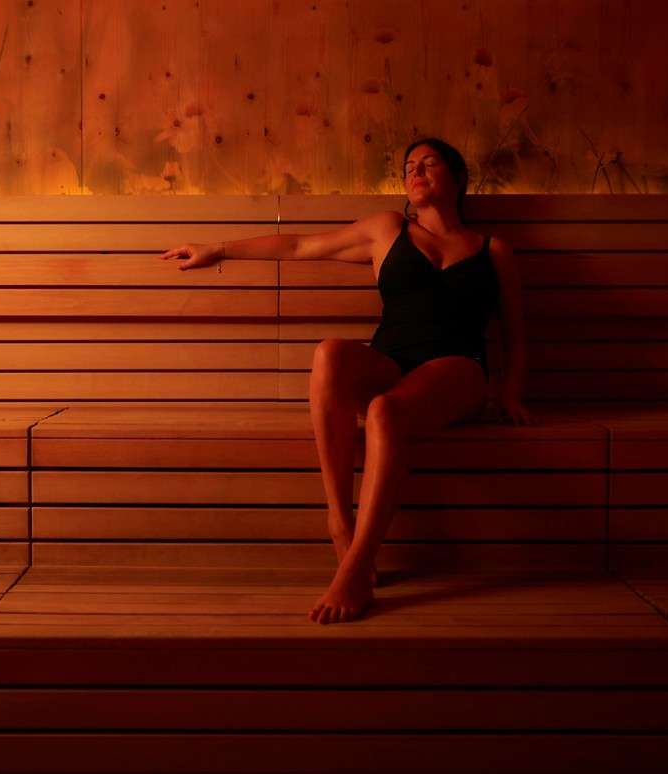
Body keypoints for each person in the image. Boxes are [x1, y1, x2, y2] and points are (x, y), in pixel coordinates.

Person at [160, 137, 537, 625]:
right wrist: (218, 249)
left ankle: (357, 565)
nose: (415, 171)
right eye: (408, 167)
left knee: (385, 411)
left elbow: (517, 334)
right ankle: (339, 519)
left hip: (457, 368)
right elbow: (299, 245)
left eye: (429, 163)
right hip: (392, 359)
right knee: (330, 354)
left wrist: (510, 393)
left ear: (459, 177)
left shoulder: (494, 251)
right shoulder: (387, 230)